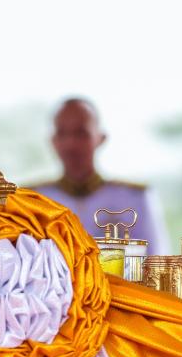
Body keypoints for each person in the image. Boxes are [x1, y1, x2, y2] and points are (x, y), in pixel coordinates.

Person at [31, 98, 169, 253]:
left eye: (81, 133)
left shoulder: (134, 198)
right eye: (62, 133)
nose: (71, 144)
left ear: (101, 138)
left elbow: (155, 261)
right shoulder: (32, 201)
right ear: (53, 140)